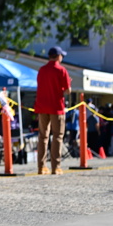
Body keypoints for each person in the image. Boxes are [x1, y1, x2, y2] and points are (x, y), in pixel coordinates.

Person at [33, 46, 72, 174]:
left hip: (42, 106)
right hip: (56, 107)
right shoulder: (61, 70)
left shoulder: (42, 70)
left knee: (43, 137)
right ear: (58, 56)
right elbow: (67, 90)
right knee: (57, 136)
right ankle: (56, 166)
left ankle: (41, 166)